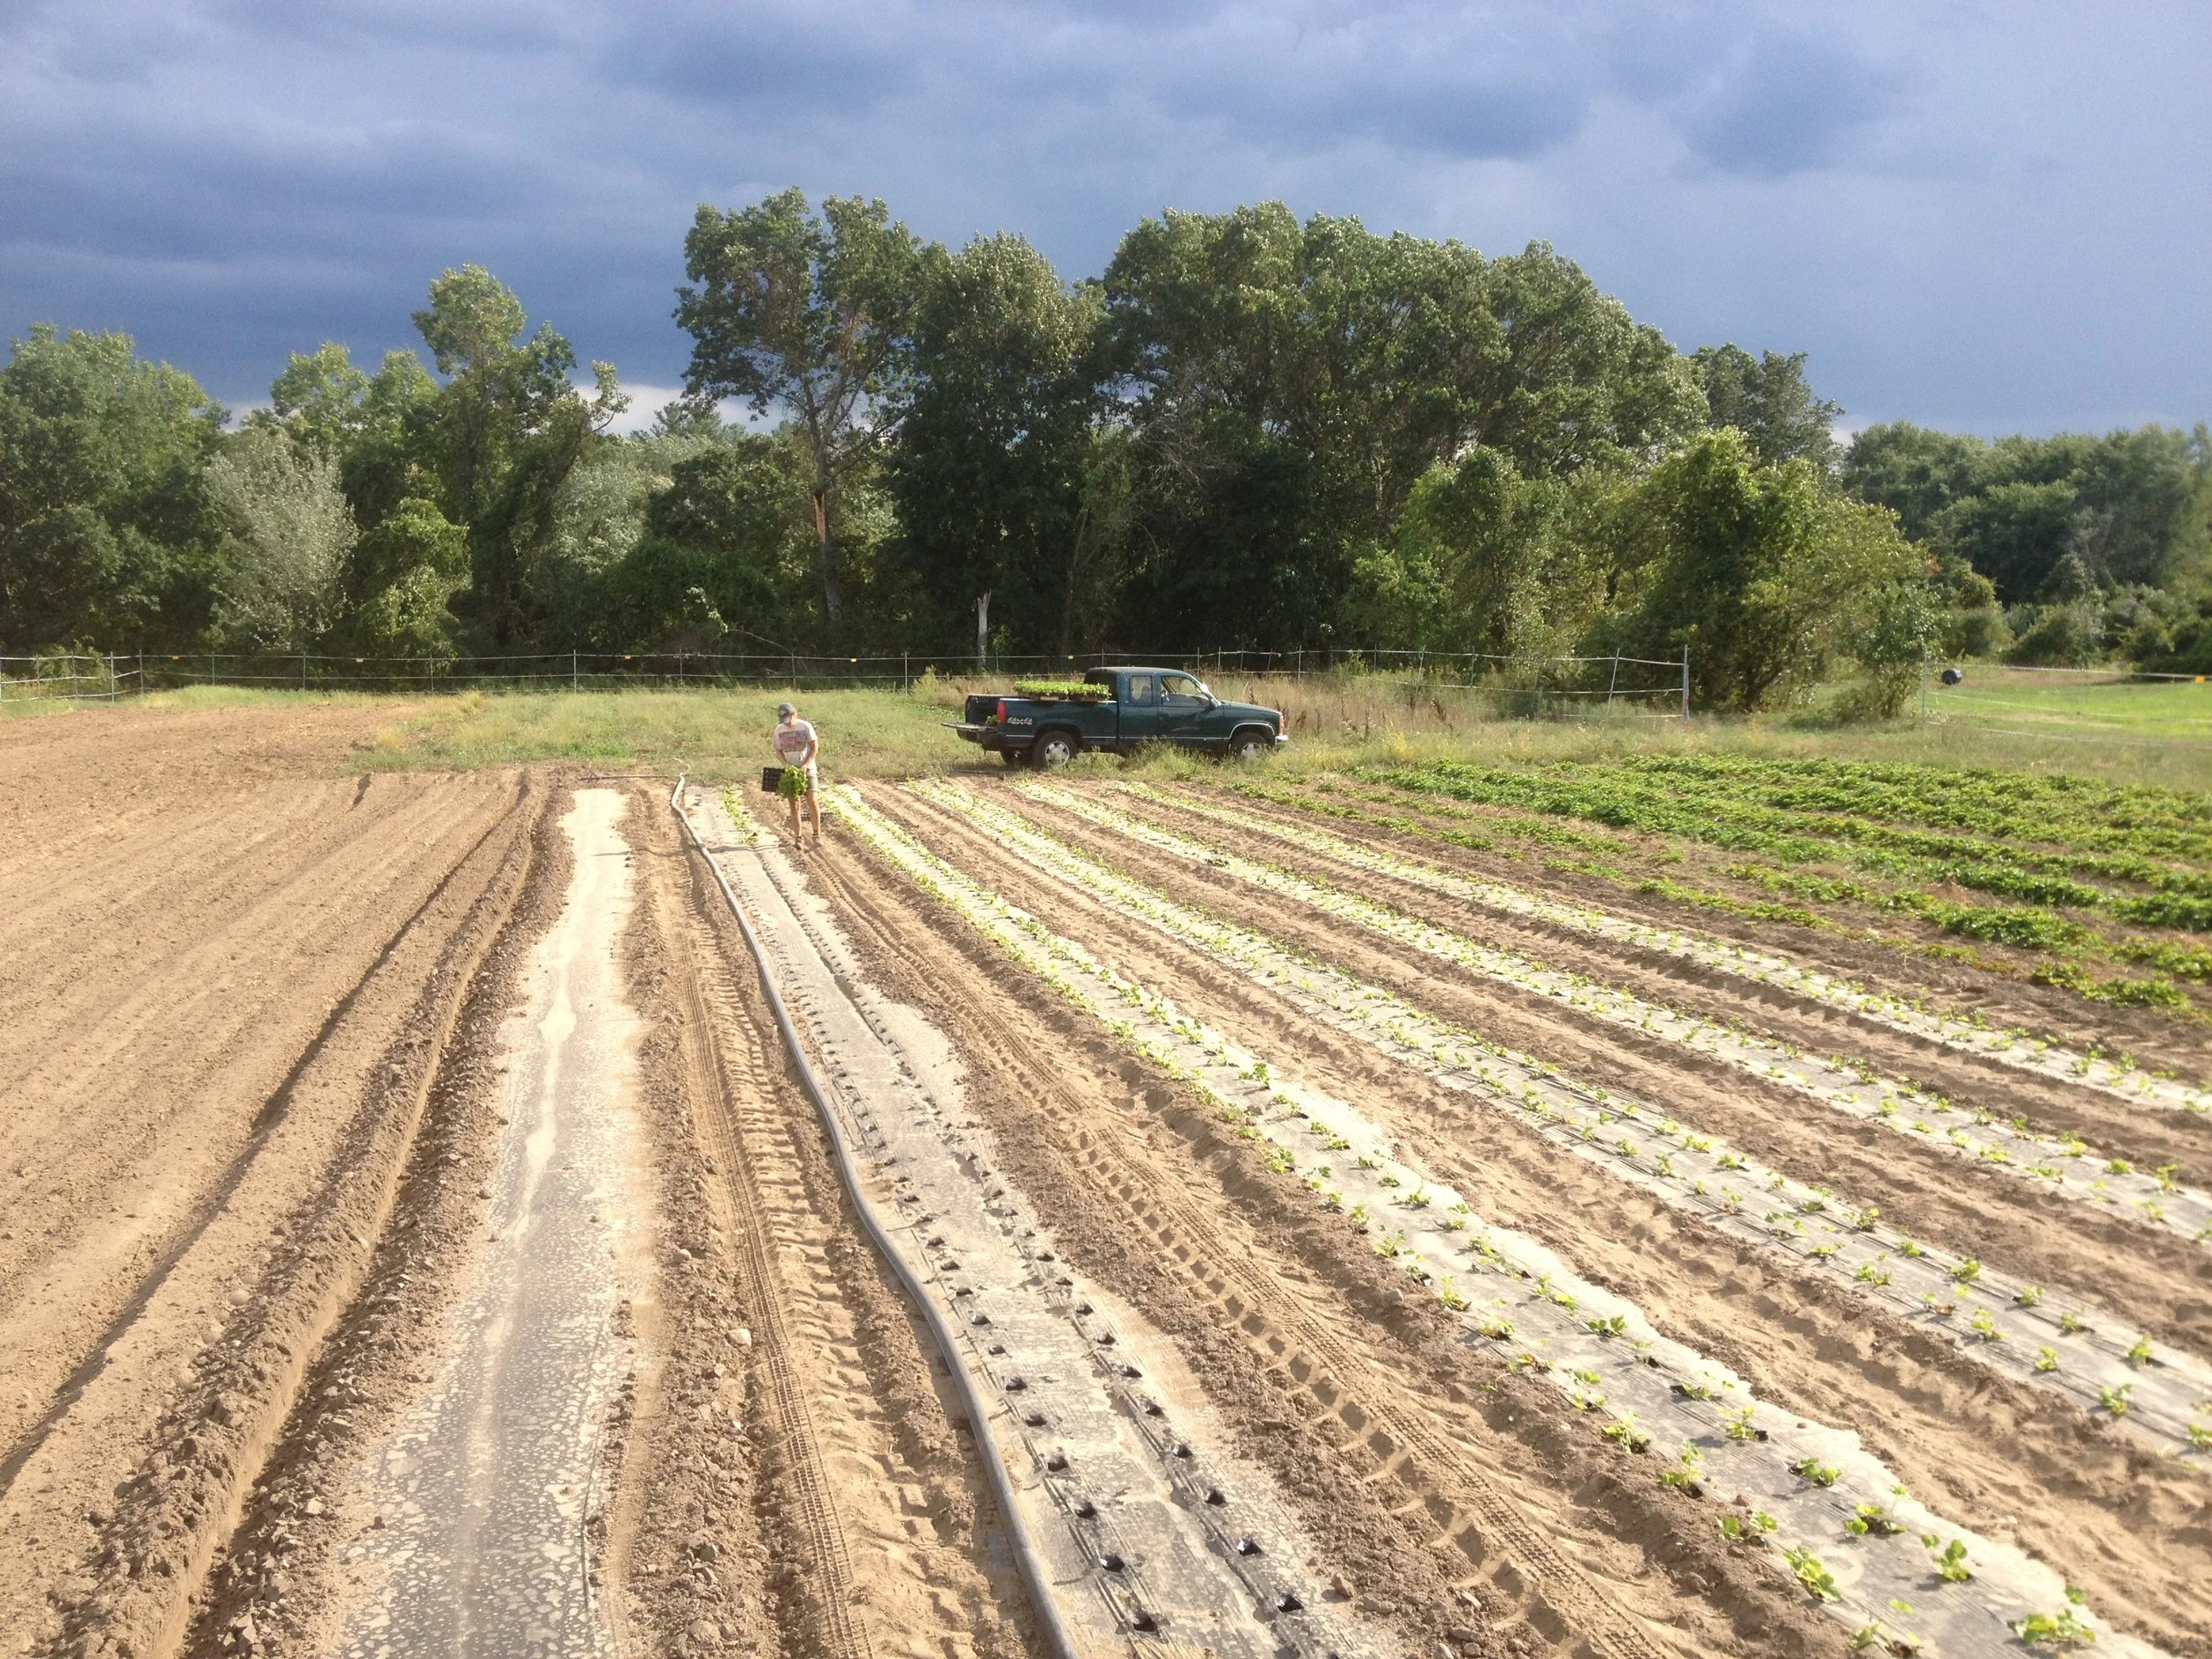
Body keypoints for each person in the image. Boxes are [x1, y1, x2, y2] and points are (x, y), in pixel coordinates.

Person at [772, 701, 823, 849]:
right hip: (791, 772)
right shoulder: (779, 730)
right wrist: (786, 765)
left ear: (794, 714)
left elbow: (814, 748)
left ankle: (817, 834)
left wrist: (806, 765)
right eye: (784, 720)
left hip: (808, 769)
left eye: (788, 719)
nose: (787, 723)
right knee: (794, 804)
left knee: (812, 801)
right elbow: (778, 751)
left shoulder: (805, 726)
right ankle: (798, 838)